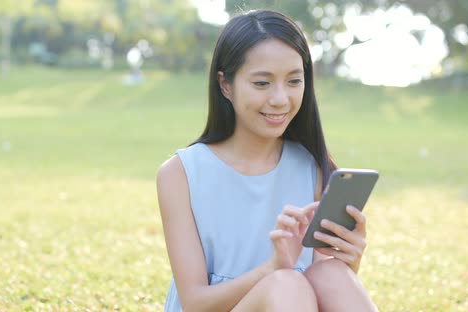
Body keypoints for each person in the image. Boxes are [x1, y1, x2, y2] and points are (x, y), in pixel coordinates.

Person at [156, 9, 378, 312]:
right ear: (225, 85)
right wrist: (273, 267)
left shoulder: (311, 168)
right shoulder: (180, 174)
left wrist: (350, 261)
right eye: (262, 83)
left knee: (331, 274)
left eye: (293, 81)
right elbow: (195, 303)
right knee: (286, 283)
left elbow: (320, 291)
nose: (280, 99)